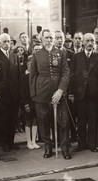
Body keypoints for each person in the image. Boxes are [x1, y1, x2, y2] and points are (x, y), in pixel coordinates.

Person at [29, 29, 71, 159]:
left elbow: (65, 73)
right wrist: (34, 95)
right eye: (46, 38)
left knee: (63, 121)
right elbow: (32, 75)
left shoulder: (61, 53)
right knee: (44, 121)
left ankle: (64, 148)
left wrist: (60, 90)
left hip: (58, 92)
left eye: (51, 38)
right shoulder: (36, 54)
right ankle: (48, 146)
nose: (49, 40)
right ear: (41, 39)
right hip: (42, 93)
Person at [69, 33, 98, 153]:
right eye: (88, 41)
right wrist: (71, 93)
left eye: (92, 41)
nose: (90, 43)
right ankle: (81, 144)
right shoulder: (76, 57)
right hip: (80, 93)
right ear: (83, 42)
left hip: (93, 94)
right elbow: (72, 76)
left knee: (93, 120)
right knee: (80, 120)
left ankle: (92, 144)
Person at [0, 33, 20, 151]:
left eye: (8, 41)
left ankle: (11, 141)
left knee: (13, 118)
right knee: (3, 119)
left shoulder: (14, 56)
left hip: (14, 93)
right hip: (3, 93)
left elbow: (18, 74)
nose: (7, 44)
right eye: (4, 41)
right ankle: (4, 142)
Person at [22, 44, 42, 149]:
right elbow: (22, 92)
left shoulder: (36, 76)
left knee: (35, 121)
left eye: (33, 64)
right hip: (28, 102)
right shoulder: (23, 76)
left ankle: (34, 141)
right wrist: (25, 104)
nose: (31, 65)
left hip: (36, 101)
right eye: (29, 63)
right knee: (28, 121)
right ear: (26, 64)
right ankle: (28, 141)